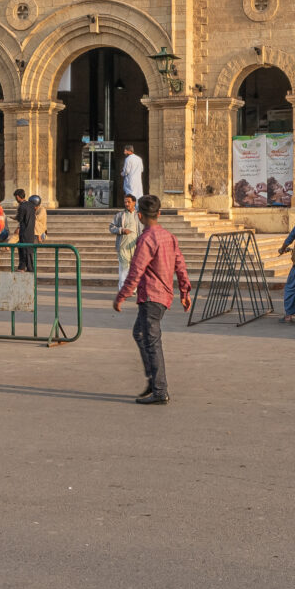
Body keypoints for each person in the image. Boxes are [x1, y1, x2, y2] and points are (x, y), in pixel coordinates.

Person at [113, 194, 191, 403]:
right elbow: (180, 264)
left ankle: (159, 390)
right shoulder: (168, 236)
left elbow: (136, 270)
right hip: (163, 295)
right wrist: (184, 291)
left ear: (139, 216)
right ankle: (153, 379)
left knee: (152, 341)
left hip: (151, 296)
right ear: (159, 213)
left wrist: (121, 295)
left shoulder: (146, 239)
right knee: (139, 333)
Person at [13, 187, 43, 272]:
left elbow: (20, 218)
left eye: (16, 197)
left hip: (24, 232)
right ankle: (22, 267)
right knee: (27, 251)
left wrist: (15, 218)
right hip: (30, 232)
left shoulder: (22, 206)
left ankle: (28, 269)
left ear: (18, 197)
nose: (16, 199)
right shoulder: (31, 205)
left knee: (24, 250)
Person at [109, 201, 141, 274]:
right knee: (124, 271)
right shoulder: (120, 215)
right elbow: (111, 227)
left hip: (136, 246)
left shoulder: (139, 215)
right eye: (125, 202)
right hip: (123, 246)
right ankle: (123, 285)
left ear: (134, 203)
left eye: (129, 202)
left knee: (135, 271)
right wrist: (121, 230)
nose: (126, 204)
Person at [118, 145, 145, 210]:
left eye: (125, 150)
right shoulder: (139, 159)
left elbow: (126, 171)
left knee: (130, 195)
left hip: (130, 180)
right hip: (138, 180)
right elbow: (142, 169)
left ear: (129, 151)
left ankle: (131, 208)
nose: (124, 152)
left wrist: (122, 173)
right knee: (138, 194)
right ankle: (138, 209)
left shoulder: (128, 159)